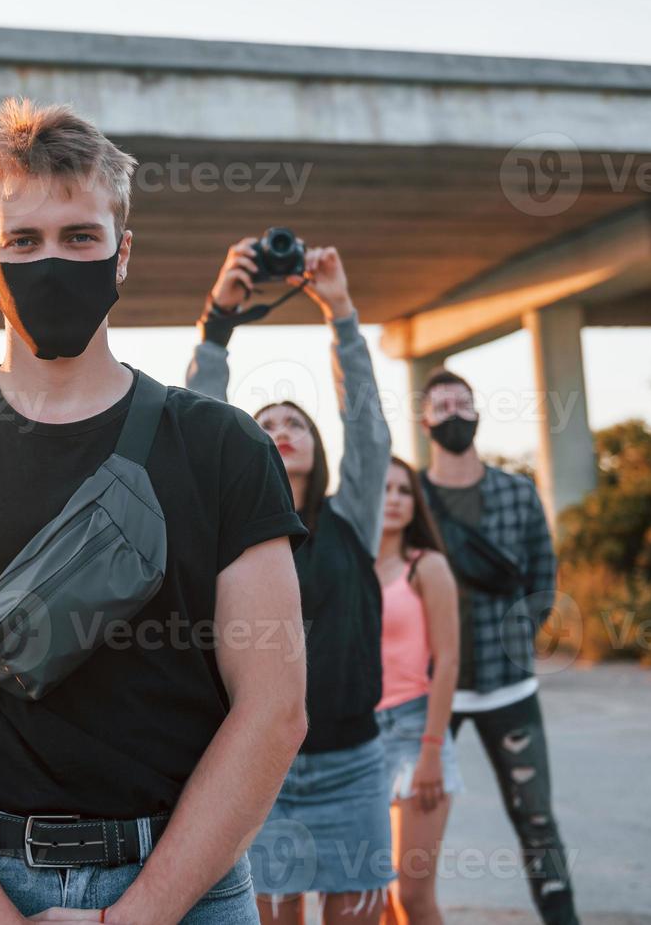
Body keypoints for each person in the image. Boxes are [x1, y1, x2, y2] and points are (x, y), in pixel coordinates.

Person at [0, 98, 310, 923]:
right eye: (24, 241)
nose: (52, 261)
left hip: (183, 884)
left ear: (123, 254)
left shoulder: (225, 447)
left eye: (80, 237)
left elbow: (273, 709)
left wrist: (135, 917)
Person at [185, 240, 396, 923]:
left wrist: (341, 314)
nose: (281, 430)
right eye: (266, 424)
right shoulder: (232, 528)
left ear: (316, 445)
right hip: (254, 768)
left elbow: (368, 427)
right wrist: (218, 320)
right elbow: (195, 419)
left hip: (353, 764)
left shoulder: (352, 519)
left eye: (294, 423)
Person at [418, 369, 578, 924]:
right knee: (411, 824)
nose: (454, 414)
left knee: (537, 820)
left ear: (478, 413)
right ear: (424, 420)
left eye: (463, 403)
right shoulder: (411, 499)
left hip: (509, 688)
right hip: (430, 693)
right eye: (441, 406)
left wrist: (514, 646)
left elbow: (543, 579)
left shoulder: (518, 491)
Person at [374, 457, 461, 925]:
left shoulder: (427, 567)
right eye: (384, 489)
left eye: (404, 491)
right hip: (362, 741)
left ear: (415, 504)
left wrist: (431, 751)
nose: (393, 499)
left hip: (415, 732)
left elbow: (448, 661)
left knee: (413, 896)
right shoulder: (350, 564)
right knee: (381, 897)